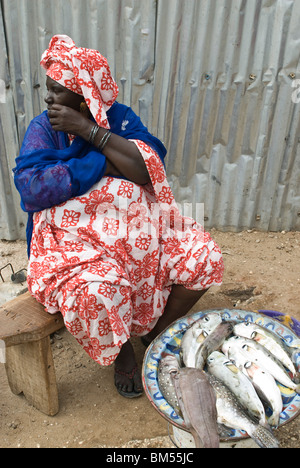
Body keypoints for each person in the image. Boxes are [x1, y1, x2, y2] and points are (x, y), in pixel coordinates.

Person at [13, 35, 224, 398]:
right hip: (75, 244)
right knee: (98, 292)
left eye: (57, 90)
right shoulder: (44, 128)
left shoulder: (120, 118)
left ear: (83, 96)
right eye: (47, 88)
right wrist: (104, 161)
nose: (48, 98)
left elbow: (146, 168)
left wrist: (87, 131)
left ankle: (155, 330)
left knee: (204, 256)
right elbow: (32, 188)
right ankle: (123, 350)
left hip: (140, 230)